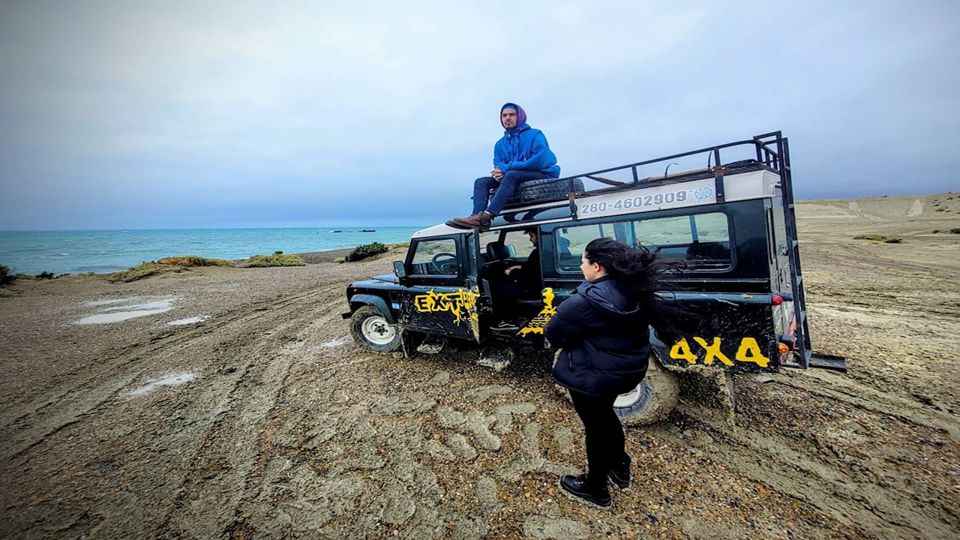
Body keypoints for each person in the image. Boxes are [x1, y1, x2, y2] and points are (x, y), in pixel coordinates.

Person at [544, 237, 671, 508]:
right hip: (627, 369)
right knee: (606, 417)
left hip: (594, 375)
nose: (581, 266)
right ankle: (620, 466)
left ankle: (596, 488)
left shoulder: (583, 302)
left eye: (583, 261)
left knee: (596, 427)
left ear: (597, 267)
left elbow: (553, 333)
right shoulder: (634, 288)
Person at [447, 103, 560, 231]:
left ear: (520, 117)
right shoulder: (500, 144)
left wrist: (506, 169)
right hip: (513, 176)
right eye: (504, 115)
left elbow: (539, 160)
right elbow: (498, 164)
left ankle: (487, 216)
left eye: (512, 115)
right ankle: (477, 217)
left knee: (512, 174)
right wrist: (499, 172)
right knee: (481, 181)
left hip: (542, 172)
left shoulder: (535, 134)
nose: (507, 118)